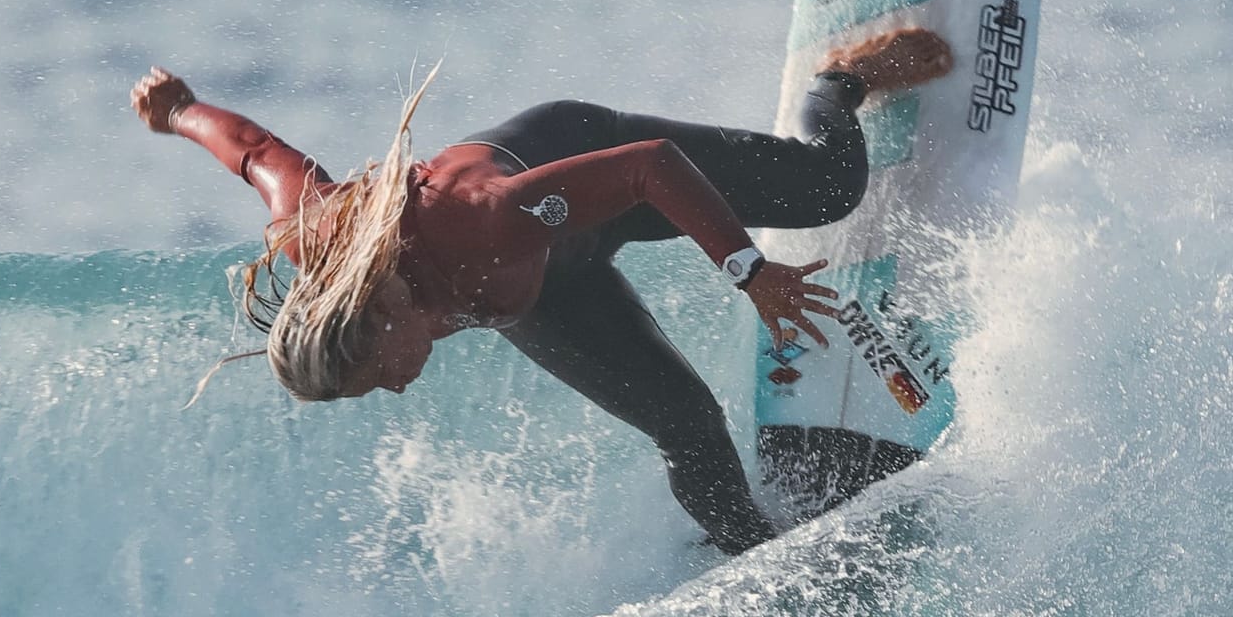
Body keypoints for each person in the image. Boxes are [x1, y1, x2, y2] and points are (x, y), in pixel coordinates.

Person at [131, 28, 952, 554]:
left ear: (385, 314)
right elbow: (254, 154)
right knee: (687, 427)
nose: (395, 385)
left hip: (602, 170)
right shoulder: (310, 236)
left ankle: (840, 78)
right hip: (537, 288)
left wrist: (749, 270)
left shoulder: (479, 217)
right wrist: (183, 114)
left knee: (825, 191)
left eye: (376, 372)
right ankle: (757, 553)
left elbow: (649, 167)